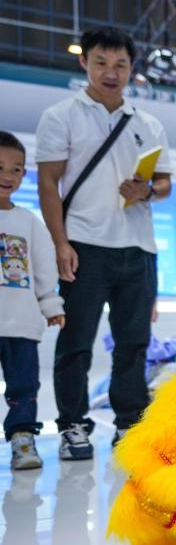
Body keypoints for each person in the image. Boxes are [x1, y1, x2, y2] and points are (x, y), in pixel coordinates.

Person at [35, 26, 171, 459]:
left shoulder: (147, 124)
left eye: (120, 65)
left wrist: (146, 192)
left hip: (138, 249)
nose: (110, 73)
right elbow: (48, 183)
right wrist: (60, 243)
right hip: (85, 245)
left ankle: (130, 423)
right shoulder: (61, 115)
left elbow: (164, 182)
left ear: (132, 68)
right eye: (101, 63)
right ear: (84, 62)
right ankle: (73, 425)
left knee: (133, 344)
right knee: (76, 341)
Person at [0, 132, 65, 470]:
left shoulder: (28, 221)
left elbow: (43, 267)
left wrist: (51, 305)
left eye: (15, 169)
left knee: (24, 385)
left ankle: (22, 438)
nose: (6, 176)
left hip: (21, 324)